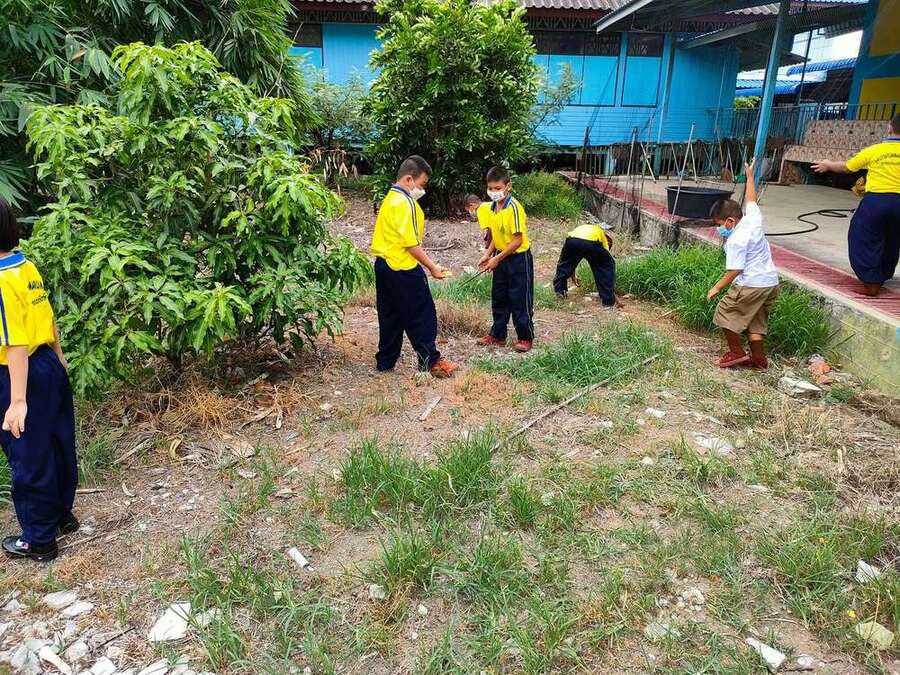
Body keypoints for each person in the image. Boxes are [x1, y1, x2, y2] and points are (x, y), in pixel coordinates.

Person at [0, 196, 78, 562]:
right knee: (58, 442)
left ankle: (39, 538)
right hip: (47, 362)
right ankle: (62, 514)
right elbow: (47, 316)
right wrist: (58, 357)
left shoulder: (0, 280)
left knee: (28, 455)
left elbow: (14, 343)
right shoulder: (24, 266)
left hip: (18, 375)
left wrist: (17, 401)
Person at [370, 156, 457, 377]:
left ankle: (385, 361)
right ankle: (431, 360)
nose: (422, 189)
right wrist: (432, 267)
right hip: (403, 267)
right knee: (422, 313)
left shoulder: (389, 198)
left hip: (383, 265)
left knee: (390, 315)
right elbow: (410, 244)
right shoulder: (405, 202)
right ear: (409, 179)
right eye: (422, 183)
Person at [812, 113, 900, 296]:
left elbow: (847, 167)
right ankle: (883, 274)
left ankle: (871, 282)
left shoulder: (875, 150)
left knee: (862, 237)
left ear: (889, 128)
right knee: (893, 238)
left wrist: (828, 164)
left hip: (876, 201)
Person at [707, 159, 780, 370]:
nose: (719, 229)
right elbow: (751, 199)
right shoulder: (752, 219)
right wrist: (749, 177)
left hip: (751, 283)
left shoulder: (736, 240)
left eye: (719, 225)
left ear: (730, 221)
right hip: (770, 283)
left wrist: (716, 288)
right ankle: (759, 360)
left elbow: (735, 270)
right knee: (755, 320)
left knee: (724, 312)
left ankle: (736, 352)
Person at [475, 166, 534, 352]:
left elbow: (517, 241)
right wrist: (487, 254)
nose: (494, 192)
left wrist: (497, 258)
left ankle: (525, 337)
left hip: (518, 259)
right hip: (500, 256)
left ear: (508, 186)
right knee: (499, 296)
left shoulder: (514, 208)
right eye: (490, 188)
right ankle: (498, 334)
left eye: (497, 188)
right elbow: (496, 234)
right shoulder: (492, 207)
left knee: (520, 298)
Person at [552, 221, 621, 307]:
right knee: (607, 265)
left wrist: (572, 274)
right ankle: (608, 301)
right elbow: (606, 260)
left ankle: (560, 291)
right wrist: (611, 292)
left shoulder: (587, 228)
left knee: (565, 265)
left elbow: (572, 262)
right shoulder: (602, 234)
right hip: (591, 243)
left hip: (572, 240)